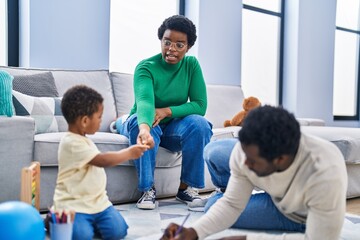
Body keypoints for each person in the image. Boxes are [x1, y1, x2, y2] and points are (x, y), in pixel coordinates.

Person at [161, 105, 347, 240]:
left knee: (212, 206)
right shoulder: (245, 154)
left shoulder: (324, 174)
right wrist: (194, 232)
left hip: (298, 215)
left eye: (252, 160)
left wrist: (248, 239)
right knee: (216, 154)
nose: (244, 162)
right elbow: (232, 205)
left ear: (280, 159)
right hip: (278, 195)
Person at [114, 15, 213, 210]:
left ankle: (186, 189)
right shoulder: (146, 67)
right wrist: (144, 128)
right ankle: (147, 190)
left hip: (172, 126)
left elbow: (200, 105)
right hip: (147, 121)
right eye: (167, 42)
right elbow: (144, 103)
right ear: (161, 40)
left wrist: (167, 111)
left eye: (179, 45)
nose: (171, 49)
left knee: (200, 124)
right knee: (135, 123)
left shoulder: (191, 65)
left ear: (188, 47)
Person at [52, 85, 149, 240]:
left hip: (99, 204)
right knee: (81, 236)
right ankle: (56, 221)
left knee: (119, 231)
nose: (101, 121)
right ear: (84, 121)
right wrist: (129, 153)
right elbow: (102, 160)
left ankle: (91, 224)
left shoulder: (83, 139)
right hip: (74, 206)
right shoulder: (71, 142)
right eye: (99, 117)